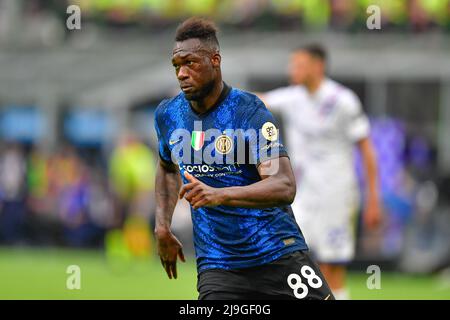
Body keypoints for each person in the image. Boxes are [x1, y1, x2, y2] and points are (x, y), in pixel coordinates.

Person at [154, 17, 334, 300]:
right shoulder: (169, 115)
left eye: (190, 63)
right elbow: (166, 167)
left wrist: (220, 195)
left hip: (277, 252)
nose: (182, 74)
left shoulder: (248, 112)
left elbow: (284, 185)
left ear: (215, 60)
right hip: (219, 266)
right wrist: (162, 227)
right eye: (177, 66)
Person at [258, 44, 382, 299]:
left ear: (318, 66)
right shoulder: (292, 97)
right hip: (301, 196)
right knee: (283, 257)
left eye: (299, 64)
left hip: (335, 196)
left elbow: (367, 152)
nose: (292, 69)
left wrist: (373, 200)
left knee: (331, 267)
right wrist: (217, 92)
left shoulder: (343, 100)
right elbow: (257, 99)